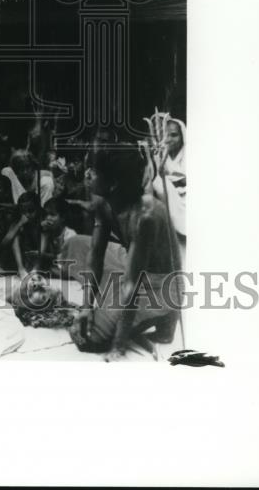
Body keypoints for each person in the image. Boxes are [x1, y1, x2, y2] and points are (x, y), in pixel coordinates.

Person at [68, 145, 182, 360]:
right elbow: (96, 253)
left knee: (93, 338)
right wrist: (85, 307)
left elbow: (133, 283)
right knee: (76, 244)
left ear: (113, 184)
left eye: (92, 171)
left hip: (161, 286)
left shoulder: (146, 215)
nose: (87, 174)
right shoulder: (103, 203)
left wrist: (118, 346)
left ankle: (166, 316)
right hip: (133, 266)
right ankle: (126, 312)